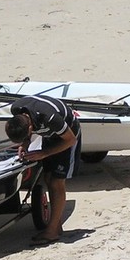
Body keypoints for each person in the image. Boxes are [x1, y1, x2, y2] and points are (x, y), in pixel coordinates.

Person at [5, 95, 81, 245]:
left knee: (56, 182)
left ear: (31, 128)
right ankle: (55, 226)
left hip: (68, 135)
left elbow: (71, 140)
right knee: (47, 178)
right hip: (49, 135)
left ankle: (52, 232)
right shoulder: (16, 109)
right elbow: (27, 135)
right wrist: (24, 145)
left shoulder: (49, 117)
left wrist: (44, 153)